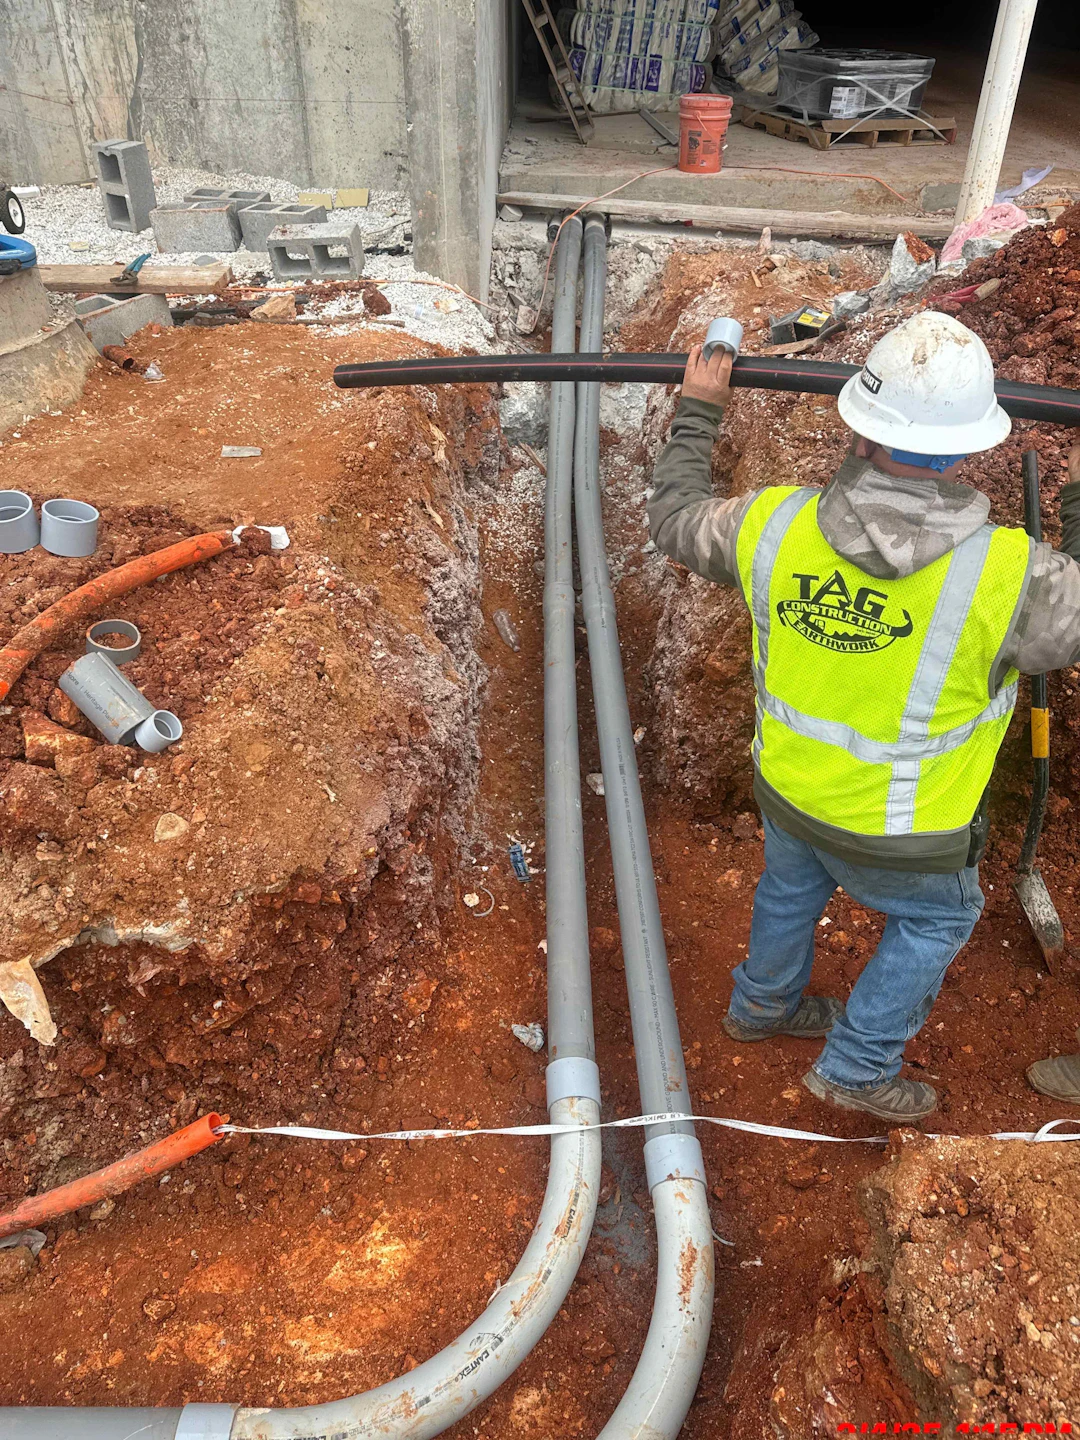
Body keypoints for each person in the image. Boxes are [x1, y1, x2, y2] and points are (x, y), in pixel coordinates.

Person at [647, 310, 1080, 1120]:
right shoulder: (1015, 574)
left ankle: (763, 1007)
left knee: (789, 887)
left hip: (788, 787)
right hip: (910, 832)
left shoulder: (770, 524)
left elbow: (673, 518)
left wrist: (700, 408)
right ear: (968, 448)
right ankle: (856, 1066)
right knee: (938, 922)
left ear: (858, 427)